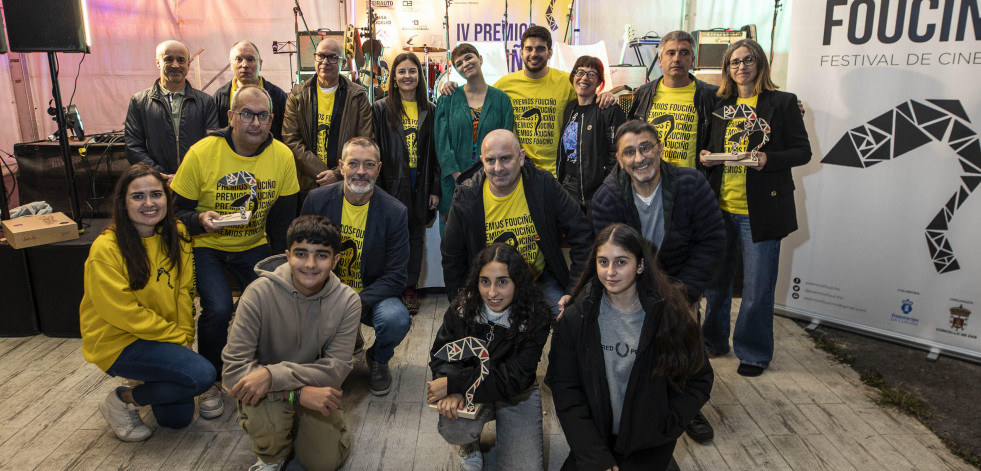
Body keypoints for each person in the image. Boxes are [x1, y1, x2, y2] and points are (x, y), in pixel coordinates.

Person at [590, 119, 725, 445]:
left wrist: (682, 293)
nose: (640, 158)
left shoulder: (692, 184)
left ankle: (688, 405)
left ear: (660, 149)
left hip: (682, 283)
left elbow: (712, 242)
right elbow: (612, 257)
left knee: (683, 341)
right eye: (630, 152)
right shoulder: (607, 198)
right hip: (633, 286)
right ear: (620, 160)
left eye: (646, 147)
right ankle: (637, 401)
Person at [172, 85, 300, 417]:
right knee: (216, 308)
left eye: (262, 116)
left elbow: (284, 220)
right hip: (206, 246)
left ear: (272, 120)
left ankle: (264, 370)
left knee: (274, 301)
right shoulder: (202, 152)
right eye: (246, 114)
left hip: (253, 244)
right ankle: (212, 382)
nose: (254, 123)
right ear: (231, 116)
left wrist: (283, 262)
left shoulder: (283, 156)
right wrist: (200, 219)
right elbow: (174, 213)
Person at [546, 223, 713, 471]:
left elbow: (699, 378)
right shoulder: (576, 318)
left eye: (621, 262)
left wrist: (666, 424)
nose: (610, 272)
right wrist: (593, 455)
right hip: (595, 444)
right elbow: (565, 389)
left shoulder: (671, 314)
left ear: (640, 265)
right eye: (603, 262)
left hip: (648, 446)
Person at [699, 39, 811, 377]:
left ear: (760, 64)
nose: (741, 66)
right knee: (716, 283)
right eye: (734, 62)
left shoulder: (783, 103)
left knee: (758, 287)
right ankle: (713, 342)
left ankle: (753, 352)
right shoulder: (721, 104)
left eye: (748, 60)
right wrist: (705, 158)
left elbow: (802, 152)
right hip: (719, 208)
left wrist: (768, 159)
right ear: (727, 70)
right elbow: (712, 147)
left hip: (760, 210)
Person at [80, 163, 215, 442]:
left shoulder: (177, 233)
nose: (149, 203)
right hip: (118, 341)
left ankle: (150, 376)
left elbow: (184, 291)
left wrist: (184, 337)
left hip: (160, 335)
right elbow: (123, 313)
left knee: (176, 421)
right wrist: (175, 338)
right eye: (138, 196)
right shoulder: (106, 249)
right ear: (123, 202)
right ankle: (122, 400)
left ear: (167, 198)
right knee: (201, 376)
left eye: (156, 194)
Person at [222, 215, 360, 471]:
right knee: (265, 415)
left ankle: (300, 431)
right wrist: (293, 393)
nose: (309, 264)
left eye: (321, 255)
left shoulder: (347, 301)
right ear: (287, 256)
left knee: (325, 463)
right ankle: (272, 456)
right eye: (301, 254)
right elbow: (233, 373)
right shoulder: (258, 292)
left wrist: (274, 376)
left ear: (335, 261)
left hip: (309, 389)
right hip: (268, 398)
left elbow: (336, 370)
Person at [300, 137, 411, 397]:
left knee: (396, 319)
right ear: (341, 166)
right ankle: (347, 340)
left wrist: (351, 303)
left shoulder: (395, 213)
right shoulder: (316, 201)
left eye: (369, 164)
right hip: (325, 293)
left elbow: (396, 278)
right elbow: (302, 255)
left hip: (371, 297)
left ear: (379, 169)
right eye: (354, 163)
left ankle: (379, 359)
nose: (361, 171)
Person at [441, 129, 593, 315]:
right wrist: (461, 300)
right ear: (482, 161)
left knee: (571, 318)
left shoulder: (543, 185)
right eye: (490, 160)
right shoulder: (467, 197)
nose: (498, 168)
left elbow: (582, 233)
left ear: (521, 157)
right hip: (489, 287)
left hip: (537, 280)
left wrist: (573, 291)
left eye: (506, 158)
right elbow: (451, 256)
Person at [428, 243, 551, 471]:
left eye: (502, 282)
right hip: (472, 386)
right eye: (485, 281)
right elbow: (442, 354)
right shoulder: (462, 308)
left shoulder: (537, 316)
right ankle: (469, 444)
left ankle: (511, 436)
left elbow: (513, 378)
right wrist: (452, 383)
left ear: (518, 282)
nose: (492, 293)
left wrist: (455, 384)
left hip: (516, 393)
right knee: (455, 427)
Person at [439, 26, 616, 176]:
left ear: (550, 52)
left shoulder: (566, 82)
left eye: (540, 48)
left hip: (558, 171)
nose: (534, 54)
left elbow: (587, 101)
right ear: (521, 51)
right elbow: (477, 95)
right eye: (529, 49)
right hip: (518, 171)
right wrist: (451, 87)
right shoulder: (505, 84)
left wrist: (605, 95)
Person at [372, 52, 441, 313]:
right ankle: (391, 286)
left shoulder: (430, 109)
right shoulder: (380, 108)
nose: (407, 76)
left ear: (419, 76)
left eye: (412, 71)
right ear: (394, 77)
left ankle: (410, 286)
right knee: (390, 237)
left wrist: (434, 188)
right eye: (401, 71)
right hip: (391, 181)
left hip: (420, 182)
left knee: (415, 237)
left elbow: (435, 152)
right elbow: (374, 148)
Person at [434, 43, 514, 226]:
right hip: (454, 184)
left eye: (469, 57)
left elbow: (506, 141)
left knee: (488, 245)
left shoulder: (502, 99)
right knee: (453, 245)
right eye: (459, 63)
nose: (465, 64)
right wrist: (459, 178)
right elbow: (441, 143)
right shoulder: (448, 98)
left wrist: (489, 175)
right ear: (456, 70)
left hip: (493, 181)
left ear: (480, 59)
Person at [283, 38, 373, 198]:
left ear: (343, 63)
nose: (325, 62)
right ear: (315, 59)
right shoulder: (297, 96)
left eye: (332, 57)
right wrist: (324, 173)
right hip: (308, 183)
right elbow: (291, 140)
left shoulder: (357, 96)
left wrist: (338, 173)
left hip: (346, 183)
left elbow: (364, 141)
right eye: (321, 56)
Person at [124, 40, 218, 182]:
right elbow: (133, 147)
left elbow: (212, 145)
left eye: (181, 60)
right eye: (168, 59)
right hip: (157, 183)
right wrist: (161, 176)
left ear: (188, 64)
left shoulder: (206, 102)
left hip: (197, 182)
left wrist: (186, 176)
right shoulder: (139, 102)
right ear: (158, 63)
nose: (175, 65)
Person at [627, 30, 718, 170]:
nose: (677, 59)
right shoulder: (643, 94)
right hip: (651, 180)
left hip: (691, 182)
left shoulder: (710, 95)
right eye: (671, 53)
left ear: (692, 60)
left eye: (684, 53)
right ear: (660, 60)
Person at [557, 55, 626, 213]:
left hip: (596, 191)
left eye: (591, 74)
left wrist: (607, 186)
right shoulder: (570, 108)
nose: (584, 78)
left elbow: (617, 154)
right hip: (568, 186)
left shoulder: (609, 110)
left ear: (600, 82)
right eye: (580, 72)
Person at [214, 40, 289, 140]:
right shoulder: (220, 97)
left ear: (260, 63)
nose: (244, 65)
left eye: (250, 59)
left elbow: (287, 134)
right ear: (231, 64)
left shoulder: (278, 96)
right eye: (238, 59)